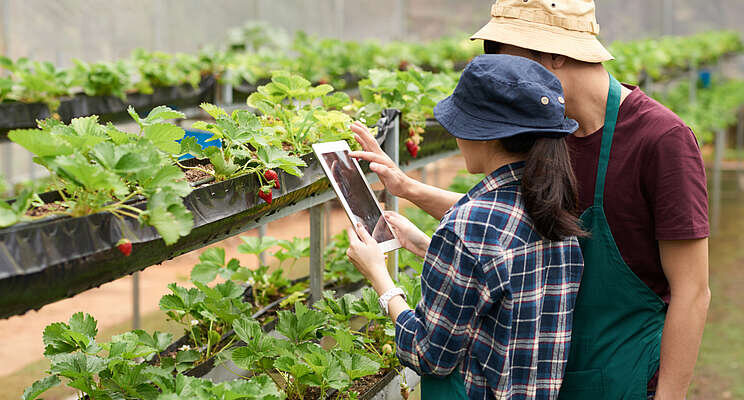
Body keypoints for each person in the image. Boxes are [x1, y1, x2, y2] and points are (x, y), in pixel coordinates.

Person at [354, 1, 711, 398]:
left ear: (556, 54)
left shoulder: (661, 140)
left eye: (505, 56)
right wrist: (408, 188)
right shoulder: (545, 134)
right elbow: (511, 222)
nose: (503, 74)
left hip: (620, 374)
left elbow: (692, 290)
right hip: (547, 373)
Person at [346, 54, 585, 399]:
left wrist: (380, 280)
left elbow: (430, 355)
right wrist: (428, 245)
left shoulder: (468, 226)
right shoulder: (555, 210)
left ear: (486, 135)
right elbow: (501, 282)